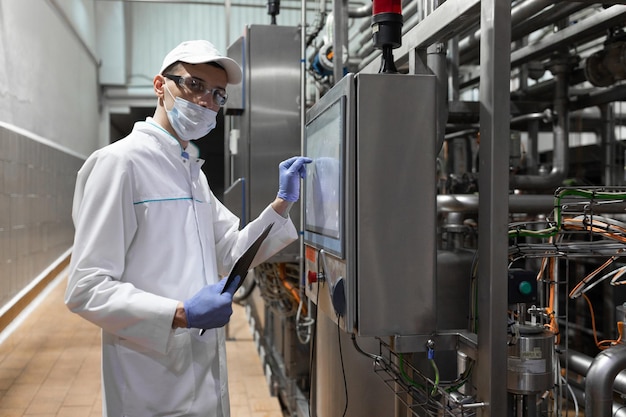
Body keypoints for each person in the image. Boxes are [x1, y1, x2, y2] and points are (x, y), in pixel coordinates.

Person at [65, 39, 311, 417]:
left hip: (201, 370)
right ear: (160, 86)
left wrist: (283, 203)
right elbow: (86, 288)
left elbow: (230, 251)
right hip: (150, 381)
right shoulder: (119, 164)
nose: (205, 102)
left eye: (217, 94)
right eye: (194, 84)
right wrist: (180, 314)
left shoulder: (190, 173)